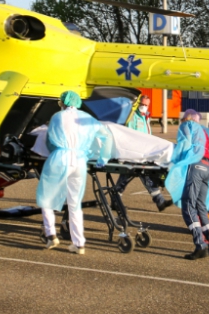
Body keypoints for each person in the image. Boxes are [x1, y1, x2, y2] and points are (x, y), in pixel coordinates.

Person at [35, 90, 111, 254]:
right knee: (75, 203)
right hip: (79, 160)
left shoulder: (57, 117)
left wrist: (53, 152)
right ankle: (79, 243)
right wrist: (102, 159)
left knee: (46, 197)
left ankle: (51, 235)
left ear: (62, 102)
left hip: (60, 157)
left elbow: (50, 141)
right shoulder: (88, 118)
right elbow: (107, 136)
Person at [164, 109, 209, 260]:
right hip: (207, 167)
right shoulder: (205, 130)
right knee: (201, 206)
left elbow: (185, 144)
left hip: (195, 166)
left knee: (188, 206)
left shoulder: (187, 125)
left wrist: (174, 161)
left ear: (187, 117)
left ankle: (200, 245)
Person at [112, 95, 172, 211]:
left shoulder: (146, 117)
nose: (144, 107)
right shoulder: (133, 117)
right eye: (142, 104)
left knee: (128, 177)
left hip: (143, 153)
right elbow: (128, 134)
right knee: (141, 174)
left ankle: (115, 200)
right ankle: (159, 201)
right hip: (134, 153)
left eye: (146, 105)